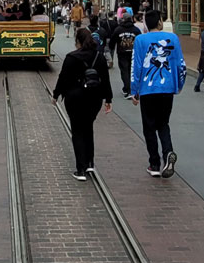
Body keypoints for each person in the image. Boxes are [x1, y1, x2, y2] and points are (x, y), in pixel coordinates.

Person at [130, 10, 185, 178]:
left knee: (149, 127)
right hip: (167, 89)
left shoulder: (140, 40)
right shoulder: (173, 39)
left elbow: (136, 66)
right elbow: (180, 64)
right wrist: (179, 84)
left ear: (146, 23)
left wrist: (134, 91)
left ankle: (154, 163)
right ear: (160, 22)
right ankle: (168, 152)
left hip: (147, 90)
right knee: (163, 124)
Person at [53, 28, 112, 180]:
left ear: (77, 41)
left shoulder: (71, 57)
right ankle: (90, 162)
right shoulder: (99, 57)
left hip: (75, 98)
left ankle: (81, 169)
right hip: (94, 98)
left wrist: (56, 94)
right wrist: (108, 99)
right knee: (88, 127)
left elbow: (63, 78)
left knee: (77, 131)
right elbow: (105, 78)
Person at [109, 14, 140, 100]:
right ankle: (130, 88)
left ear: (123, 19)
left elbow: (113, 40)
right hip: (133, 52)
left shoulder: (119, 29)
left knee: (124, 70)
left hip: (122, 52)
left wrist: (111, 47)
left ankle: (128, 89)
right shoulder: (135, 30)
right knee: (131, 70)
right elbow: (140, 40)